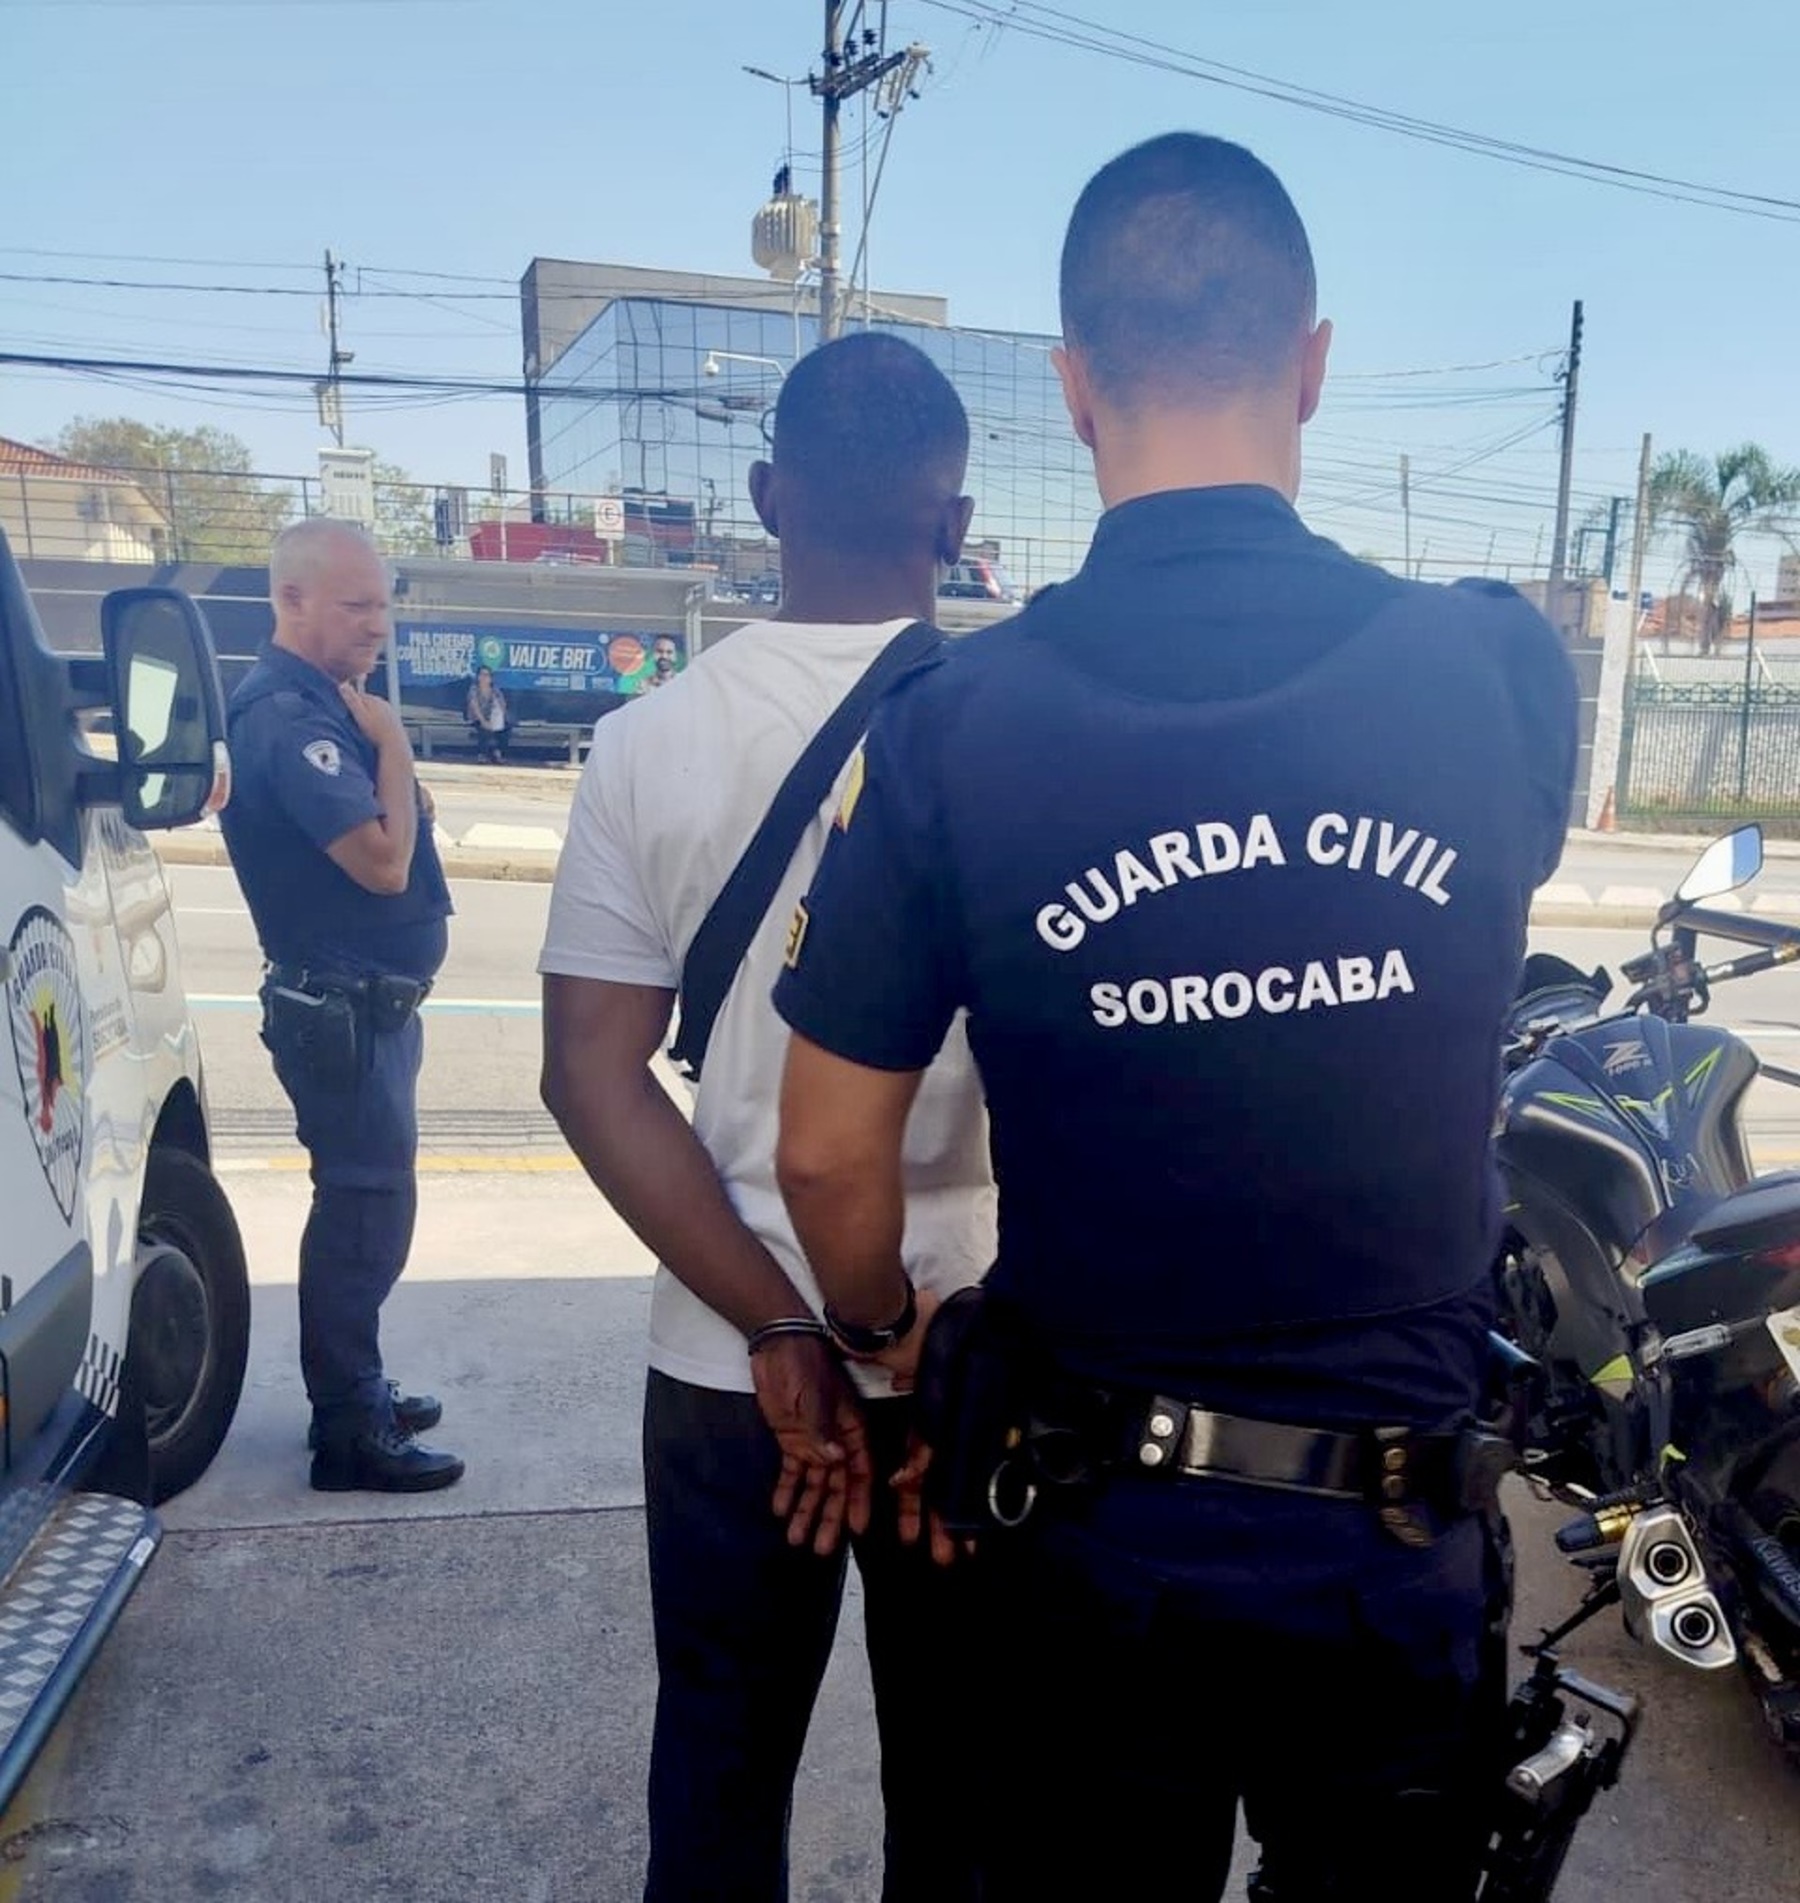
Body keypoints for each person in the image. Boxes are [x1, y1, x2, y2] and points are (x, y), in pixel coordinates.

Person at [773, 133, 1579, 1902]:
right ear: (1311, 362)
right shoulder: (1493, 667)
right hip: (1392, 1536)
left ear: (1072, 388)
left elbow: (829, 1147)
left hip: (1090, 1539)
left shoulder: (956, 721)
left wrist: (888, 1331)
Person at [538, 331, 996, 1903]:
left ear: (763, 496)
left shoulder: (646, 742)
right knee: (964, 1789)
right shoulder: (1013, 733)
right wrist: (907, 1338)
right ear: (955, 520)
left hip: (734, 1367)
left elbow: (592, 1073)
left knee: (723, 1774)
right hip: (963, 1353)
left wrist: (783, 1326)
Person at [221, 518, 463, 1493]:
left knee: (369, 1201)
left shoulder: (328, 704)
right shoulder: (291, 716)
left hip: (365, 1001)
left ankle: (354, 1384)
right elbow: (386, 856)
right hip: (342, 1002)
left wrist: (392, 763)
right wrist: (396, 744)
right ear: (292, 601)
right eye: (358, 606)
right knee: (364, 1210)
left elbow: (417, 815)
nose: (381, 627)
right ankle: (349, 1430)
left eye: (385, 603)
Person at [465, 664, 509, 761]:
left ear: (491, 678)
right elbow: (474, 707)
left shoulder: (495, 690)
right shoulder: (474, 689)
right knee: (484, 729)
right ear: (478, 677)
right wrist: (484, 721)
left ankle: (498, 752)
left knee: (505, 729)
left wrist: (501, 717)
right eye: (482, 675)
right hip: (476, 718)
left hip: (492, 718)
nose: (484, 677)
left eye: (487, 675)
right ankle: (483, 754)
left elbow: (503, 705)